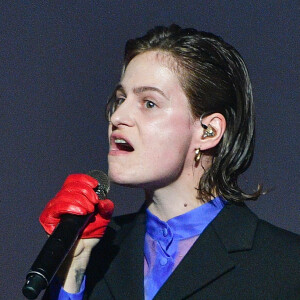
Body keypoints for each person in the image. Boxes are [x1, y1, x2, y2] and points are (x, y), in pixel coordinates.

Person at [40, 24, 300, 299]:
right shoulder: (95, 249)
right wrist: (71, 273)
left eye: (149, 103)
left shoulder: (286, 266)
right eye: (120, 99)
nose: (117, 117)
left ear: (208, 131)